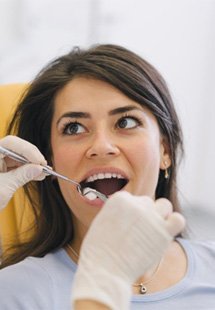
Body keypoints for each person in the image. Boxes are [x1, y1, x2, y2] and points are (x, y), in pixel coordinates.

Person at [0, 44, 214, 309]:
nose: (101, 146)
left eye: (125, 122)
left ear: (165, 150)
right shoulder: (13, 293)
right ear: (50, 160)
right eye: (74, 127)